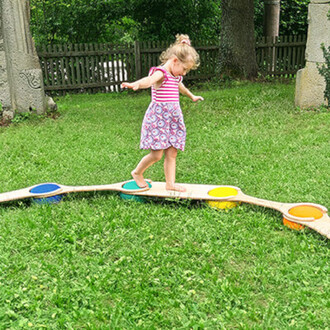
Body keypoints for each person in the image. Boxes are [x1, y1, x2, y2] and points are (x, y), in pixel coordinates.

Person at [122, 34, 204, 192]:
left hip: (172, 118)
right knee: (157, 155)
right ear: (174, 61)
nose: (185, 73)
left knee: (172, 152)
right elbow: (148, 80)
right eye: (184, 69)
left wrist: (192, 96)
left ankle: (170, 184)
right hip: (158, 119)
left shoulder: (175, 76)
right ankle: (137, 173)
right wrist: (136, 85)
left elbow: (181, 87)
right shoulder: (161, 73)